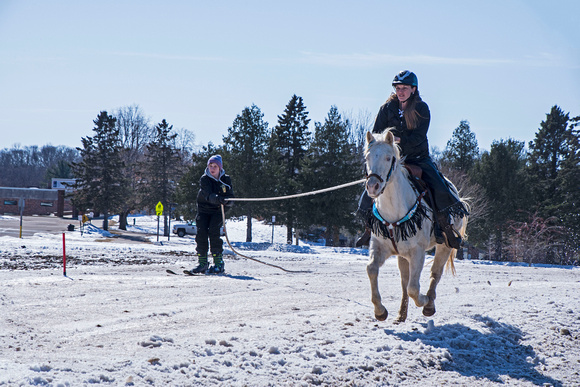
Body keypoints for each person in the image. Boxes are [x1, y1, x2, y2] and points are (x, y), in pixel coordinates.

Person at [355, 70, 468, 249]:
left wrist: (399, 141)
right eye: (398, 88)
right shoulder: (386, 109)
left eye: (404, 88)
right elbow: (377, 133)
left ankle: (445, 228)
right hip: (391, 159)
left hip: (418, 158)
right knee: (371, 184)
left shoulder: (421, 109)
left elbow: (419, 137)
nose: (400, 91)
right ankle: (370, 228)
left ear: (413, 89)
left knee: (438, 185)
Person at [190, 154, 234, 274]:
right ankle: (202, 263)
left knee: (214, 233)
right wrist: (217, 198)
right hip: (204, 210)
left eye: (215, 166)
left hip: (218, 211)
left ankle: (219, 263)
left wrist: (228, 202)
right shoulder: (204, 179)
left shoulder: (226, 180)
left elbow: (230, 196)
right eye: (210, 166)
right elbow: (208, 194)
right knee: (201, 234)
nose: (212, 168)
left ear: (220, 168)